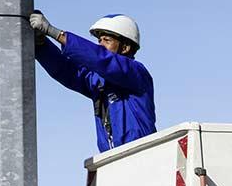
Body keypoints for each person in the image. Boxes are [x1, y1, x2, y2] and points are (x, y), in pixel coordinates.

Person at [30, 11, 156, 152]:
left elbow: (102, 60)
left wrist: (56, 33)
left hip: (143, 155)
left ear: (125, 48)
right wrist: (42, 45)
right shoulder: (98, 81)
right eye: (99, 40)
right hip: (113, 159)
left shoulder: (137, 73)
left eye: (107, 40)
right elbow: (68, 71)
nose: (100, 45)